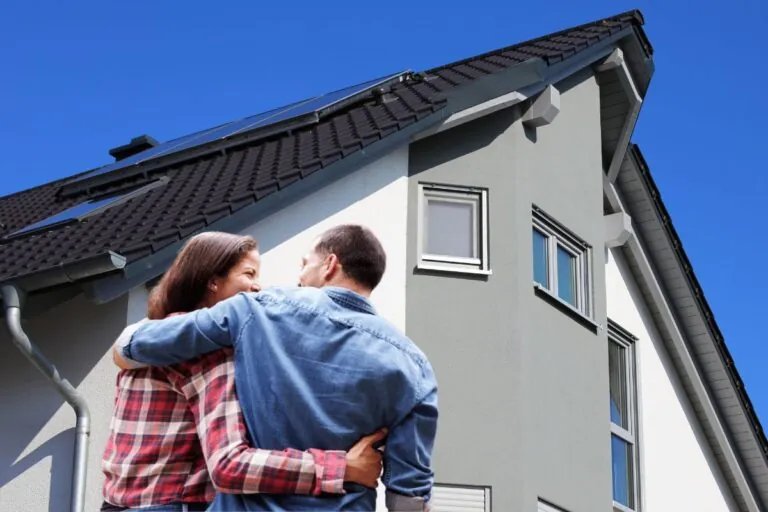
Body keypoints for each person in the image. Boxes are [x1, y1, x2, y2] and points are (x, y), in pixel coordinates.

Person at [115, 224, 438, 511]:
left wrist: (124, 347)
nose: (298, 277)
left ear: (330, 265)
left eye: (304, 264)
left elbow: (148, 341)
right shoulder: (415, 367)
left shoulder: (257, 311)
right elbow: (408, 494)